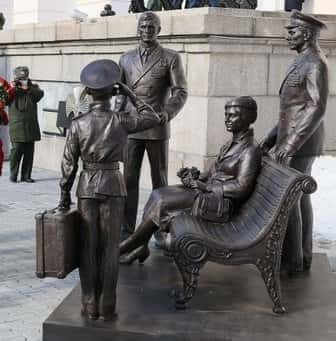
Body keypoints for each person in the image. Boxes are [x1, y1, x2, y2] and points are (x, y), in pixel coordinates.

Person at [58, 59, 162, 321]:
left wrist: (63, 196)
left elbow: (68, 165)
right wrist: (130, 94)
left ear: (88, 93)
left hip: (87, 186)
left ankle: (89, 303)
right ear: (112, 91)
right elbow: (153, 116)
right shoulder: (122, 120)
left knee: (88, 247)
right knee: (110, 248)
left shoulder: (78, 124)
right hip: (114, 185)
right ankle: (107, 305)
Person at [119, 96, 262, 265]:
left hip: (220, 205)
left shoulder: (250, 149)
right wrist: (195, 176)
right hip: (208, 194)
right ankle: (140, 245)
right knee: (158, 194)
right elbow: (214, 171)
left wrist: (206, 187)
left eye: (233, 115)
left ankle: (128, 245)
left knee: (163, 202)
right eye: (226, 114)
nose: (227, 119)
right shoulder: (231, 143)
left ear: (248, 117)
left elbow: (241, 187)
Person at [260, 11, 328, 275]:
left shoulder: (315, 63)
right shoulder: (301, 60)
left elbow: (316, 108)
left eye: (292, 31)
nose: (287, 35)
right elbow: (291, 109)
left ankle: (293, 260)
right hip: (292, 138)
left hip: (301, 143)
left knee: (290, 199)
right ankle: (300, 255)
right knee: (298, 199)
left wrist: (290, 145)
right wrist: (270, 138)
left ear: (307, 34)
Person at [115, 11, 187, 243]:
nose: (147, 30)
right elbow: (120, 94)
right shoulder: (125, 58)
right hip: (131, 127)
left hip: (156, 126)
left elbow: (180, 91)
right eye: (143, 26)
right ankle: (127, 229)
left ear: (159, 30)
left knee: (160, 182)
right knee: (128, 180)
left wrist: (167, 113)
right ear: (138, 29)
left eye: (152, 27)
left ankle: (160, 230)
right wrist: (116, 120)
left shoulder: (170, 57)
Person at [8, 66, 44, 183]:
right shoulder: (11, 89)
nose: (22, 79)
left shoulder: (33, 88)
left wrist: (28, 86)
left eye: (24, 77)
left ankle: (26, 175)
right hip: (17, 125)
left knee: (29, 152)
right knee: (16, 151)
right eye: (20, 78)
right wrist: (12, 87)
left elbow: (39, 95)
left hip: (30, 125)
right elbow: (4, 99)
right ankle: (13, 175)